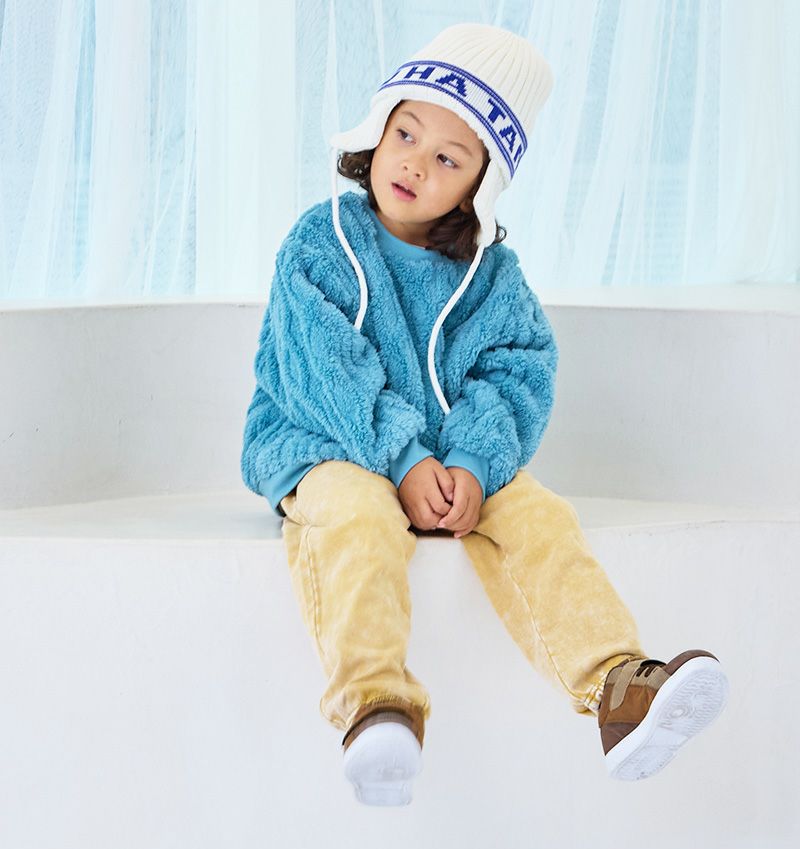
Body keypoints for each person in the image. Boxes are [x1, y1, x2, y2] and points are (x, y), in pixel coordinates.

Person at [240, 23, 729, 806]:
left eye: (448, 158)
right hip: (326, 444)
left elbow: (515, 375)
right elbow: (323, 371)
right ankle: (376, 706)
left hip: (448, 462)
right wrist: (403, 459)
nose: (414, 163)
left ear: (480, 185)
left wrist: (470, 461)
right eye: (406, 134)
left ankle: (618, 688)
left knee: (539, 515)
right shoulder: (320, 242)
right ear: (377, 130)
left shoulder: (492, 276)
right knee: (358, 516)